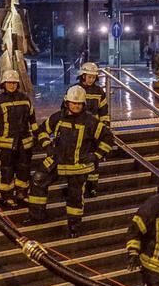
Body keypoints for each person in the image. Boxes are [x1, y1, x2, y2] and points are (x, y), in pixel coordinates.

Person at [29, 85, 113, 238]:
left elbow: (108, 137)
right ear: (66, 102)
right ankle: (37, 216)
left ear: (83, 105)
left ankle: (74, 226)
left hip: (78, 166)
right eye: (73, 103)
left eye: (79, 104)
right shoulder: (57, 117)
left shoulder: (90, 121)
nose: (76, 106)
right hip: (57, 160)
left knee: (75, 197)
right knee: (38, 180)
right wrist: (47, 146)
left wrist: (96, 155)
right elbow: (41, 131)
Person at [0, 69, 38, 208]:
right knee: (7, 171)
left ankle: (22, 194)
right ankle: (6, 197)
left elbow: (32, 119)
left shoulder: (25, 99)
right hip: (5, 144)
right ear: (3, 84)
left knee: (24, 169)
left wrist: (37, 135)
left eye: (14, 83)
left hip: (24, 142)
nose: (12, 85)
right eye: (9, 83)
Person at [63, 62, 109, 197]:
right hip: (77, 131)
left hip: (93, 131)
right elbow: (64, 111)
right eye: (89, 77)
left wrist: (104, 129)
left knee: (93, 160)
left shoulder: (99, 92)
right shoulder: (74, 90)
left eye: (93, 77)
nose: (91, 80)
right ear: (82, 76)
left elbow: (104, 113)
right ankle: (76, 186)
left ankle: (92, 186)